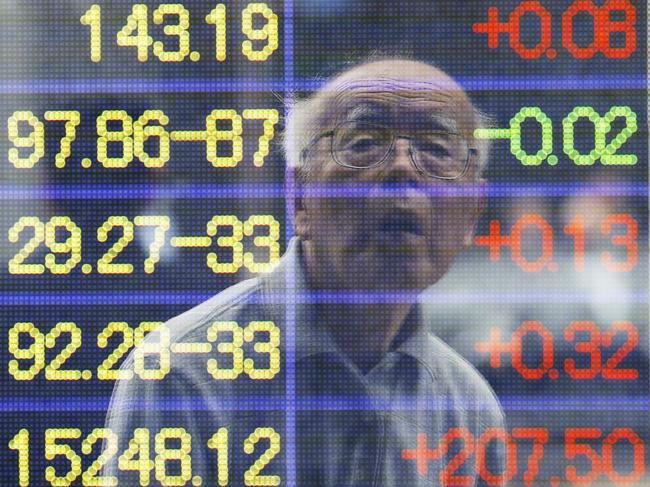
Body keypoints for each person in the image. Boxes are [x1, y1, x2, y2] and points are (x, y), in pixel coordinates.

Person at [102, 58, 506, 486]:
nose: (403, 167)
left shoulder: (468, 407)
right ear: (298, 198)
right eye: (365, 142)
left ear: (472, 215)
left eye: (437, 149)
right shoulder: (181, 376)